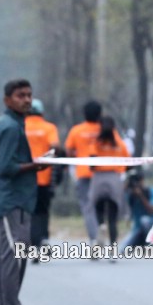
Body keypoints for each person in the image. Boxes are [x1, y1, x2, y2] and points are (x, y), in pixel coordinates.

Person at [0, 79, 49, 305]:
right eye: (20, 95)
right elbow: (6, 167)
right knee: (14, 261)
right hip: (12, 202)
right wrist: (36, 166)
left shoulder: (14, 124)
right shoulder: (10, 127)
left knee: (12, 261)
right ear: (7, 100)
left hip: (18, 202)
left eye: (29, 95)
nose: (26, 100)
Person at [87, 116, 130, 257]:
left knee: (98, 209)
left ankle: (101, 225)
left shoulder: (96, 142)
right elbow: (128, 162)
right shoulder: (119, 143)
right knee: (113, 217)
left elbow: (92, 163)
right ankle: (112, 249)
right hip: (114, 179)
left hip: (98, 179)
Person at [65, 100, 104, 245]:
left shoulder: (76, 130)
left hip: (83, 173)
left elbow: (69, 150)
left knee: (88, 207)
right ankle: (102, 227)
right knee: (101, 205)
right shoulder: (104, 129)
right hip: (102, 173)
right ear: (100, 114)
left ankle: (94, 239)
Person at [24, 99, 61, 248]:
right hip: (43, 176)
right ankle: (43, 238)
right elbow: (55, 146)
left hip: (24, 176)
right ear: (42, 112)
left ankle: (32, 242)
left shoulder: (20, 126)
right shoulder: (49, 128)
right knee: (43, 210)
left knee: (28, 211)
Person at [122, 168, 153, 250]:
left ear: (142, 180)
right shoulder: (130, 194)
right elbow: (121, 204)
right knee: (123, 249)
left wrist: (141, 196)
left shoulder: (151, 191)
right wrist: (126, 187)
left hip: (150, 226)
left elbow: (152, 210)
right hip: (136, 229)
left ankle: (151, 242)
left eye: (138, 180)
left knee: (144, 220)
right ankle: (140, 244)